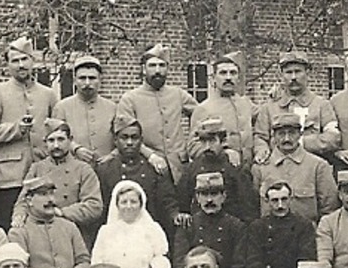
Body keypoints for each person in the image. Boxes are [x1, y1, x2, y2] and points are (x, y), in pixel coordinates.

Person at [0, 37, 59, 229]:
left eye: (24, 59)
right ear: (8, 65)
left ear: (33, 61)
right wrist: (15, 129)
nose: (21, 65)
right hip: (9, 178)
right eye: (15, 60)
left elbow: (58, 129)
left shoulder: (48, 95)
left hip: (43, 174)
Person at [240, 180, 318, 268]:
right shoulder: (257, 228)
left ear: (290, 199)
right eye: (275, 200)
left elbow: (306, 261)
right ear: (267, 201)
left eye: (284, 199)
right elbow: (253, 264)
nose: (280, 205)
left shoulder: (303, 226)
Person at [8, 176, 92, 268]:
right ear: (29, 200)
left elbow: (84, 260)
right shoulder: (19, 232)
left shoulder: (69, 226)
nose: (51, 200)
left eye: (52, 193)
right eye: (43, 194)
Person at [118, 43, 199, 179]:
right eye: (152, 65)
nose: (157, 71)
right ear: (144, 69)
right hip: (147, 166)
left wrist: (190, 144)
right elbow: (124, 135)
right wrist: (151, 156)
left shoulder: (178, 94)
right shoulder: (130, 99)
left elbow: (200, 115)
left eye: (162, 66)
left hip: (179, 166)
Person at [15, 118, 105, 241]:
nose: (56, 145)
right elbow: (23, 201)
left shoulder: (83, 170)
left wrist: (62, 212)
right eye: (51, 140)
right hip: (42, 233)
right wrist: (19, 216)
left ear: (70, 140)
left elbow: (94, 206)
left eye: (61, 139)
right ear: (45, 142)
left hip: (74, 233)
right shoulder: (37, 168)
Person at [97, 115, 180, 242]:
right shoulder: (105, 170)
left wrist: (174, 215)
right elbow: (102, 209)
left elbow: (167, 201)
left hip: (148, 235)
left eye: (134, 137)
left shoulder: (154, 169)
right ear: (115, 140)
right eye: (124, 138)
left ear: (141, 140)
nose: (129, 142)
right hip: (116, 237)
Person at [253, 49, 339, 164]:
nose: (293, 77)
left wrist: (300, 143)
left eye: (298, 71)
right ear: (281, 75)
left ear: (307, 73)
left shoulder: (321, 105)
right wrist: (261, 149)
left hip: (312, 167)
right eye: (288, 72)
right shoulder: (269, 108)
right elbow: (260, 137)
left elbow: (333, 138)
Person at [257, 111, 340, 223]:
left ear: (300, 134)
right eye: (281, 134)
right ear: (274, 136)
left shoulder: (318, 166)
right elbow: (253, 209)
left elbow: (329, 210)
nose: (286, 139)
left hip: (307, 236)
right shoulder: (261, 167)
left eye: (292, 133)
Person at [172, 172, 247, 268]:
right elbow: (180, 267)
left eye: (214, 194)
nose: (209, 200)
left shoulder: (236, 227)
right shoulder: (188, 225)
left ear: (223, 196)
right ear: (197, 198)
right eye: (204, 194)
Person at [177, 116, 255, 223]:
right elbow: (183, 204)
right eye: (204, 142)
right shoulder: (192, 169)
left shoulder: (235, 167)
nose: (207, 147)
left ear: (222, 141)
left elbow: (248, 208)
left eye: (212, 141)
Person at [192, 51, 256, 171]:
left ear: (238, 78)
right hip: (221, 172)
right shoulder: (204, 108)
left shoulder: (246, 103)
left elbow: (266, 114)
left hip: (248, 172)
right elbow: (193, 146)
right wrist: (223, 152)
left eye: (233, 73)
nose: (228, 77)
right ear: (213, 78)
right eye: (223, 73)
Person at [56, 55, 118, 163]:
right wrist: (75, 149)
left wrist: (111, 156)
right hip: (73, 169)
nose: (87, 83)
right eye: (82, 78)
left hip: (106, 168)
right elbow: (56, 138)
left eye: (92, 78)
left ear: (100, 80)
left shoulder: (112, 108)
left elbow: (122, 138)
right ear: (75, 80)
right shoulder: (62, 107)